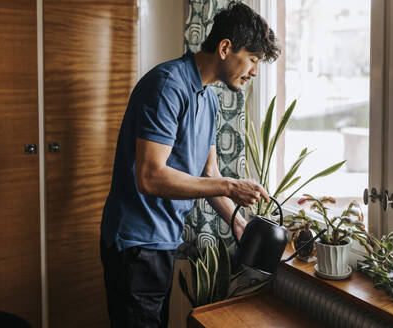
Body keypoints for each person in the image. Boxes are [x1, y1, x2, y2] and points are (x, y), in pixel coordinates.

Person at [100, 2, 280, 327]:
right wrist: (230, 186)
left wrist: (237, 223)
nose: (254, 71)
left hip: (164, 239)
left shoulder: (208, 97)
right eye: (252, 59)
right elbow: (150, 177)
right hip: (137, 243)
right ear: (226, 48)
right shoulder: (168, 85)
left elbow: (207, 173)